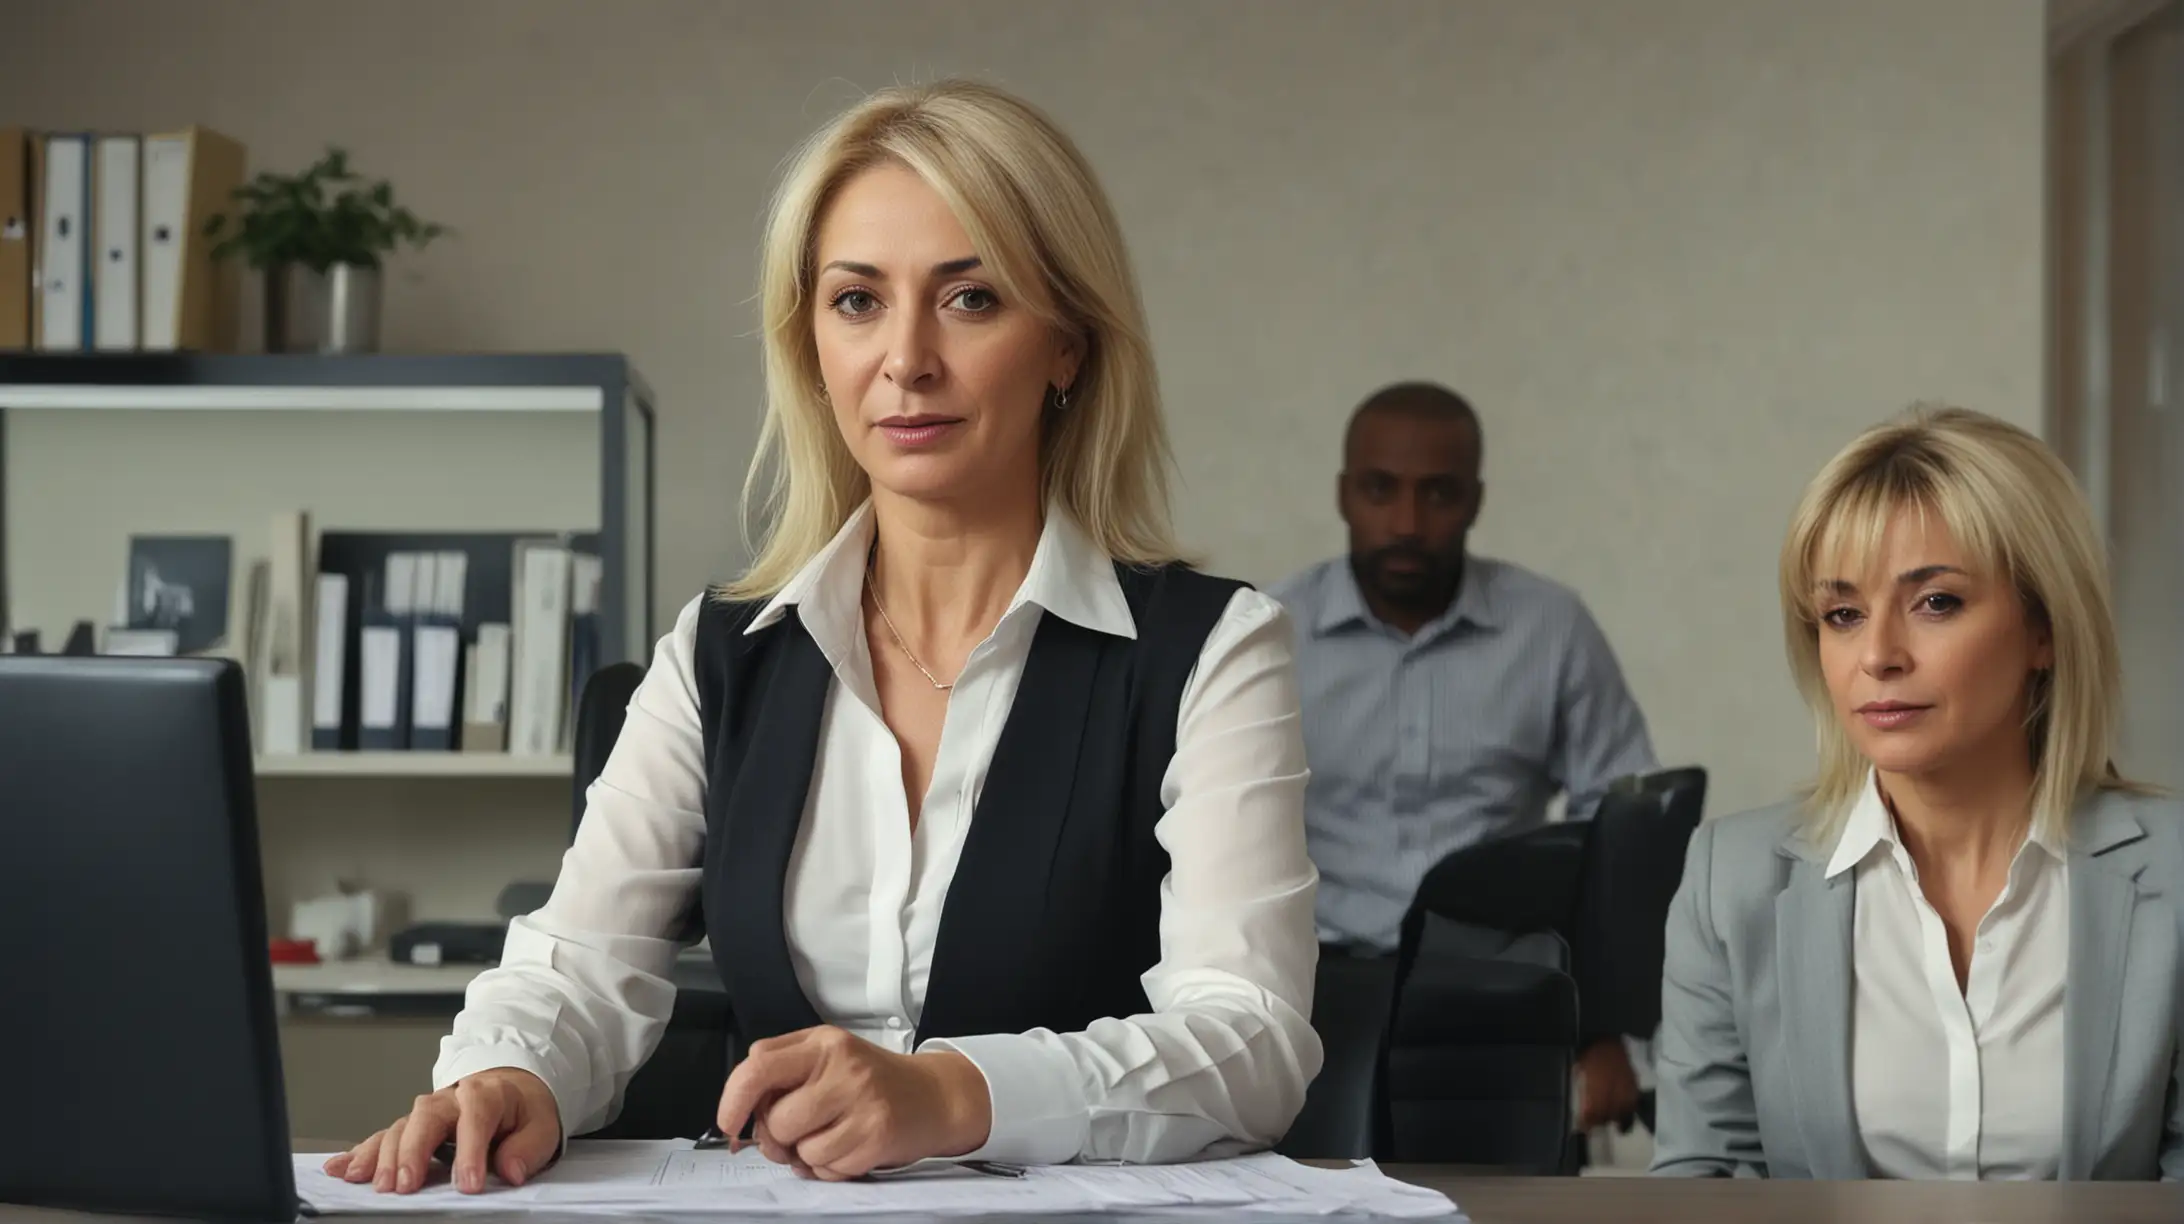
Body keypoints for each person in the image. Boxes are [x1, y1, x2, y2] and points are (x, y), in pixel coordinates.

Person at [324, 79, 1322, 1195]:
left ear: (1069, 346)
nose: (906, 360)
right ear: (810, 342)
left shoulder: (1213, 649)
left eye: (972, 298)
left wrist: (949, 1094)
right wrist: (512, 1074)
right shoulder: (720, 653)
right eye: (857, 301)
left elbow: (1252, 1042)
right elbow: (578, 962)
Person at [1652, 405, 2184, 1180]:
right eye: (1842, 614)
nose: (1877, 655)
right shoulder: (1729, 880)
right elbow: (1705, 1186)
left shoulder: (2173, 871)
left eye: (1936, 602)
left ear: (2045, 629)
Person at [1268, 381, 1658, 1131]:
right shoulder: (1266, 632)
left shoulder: (1551, 628)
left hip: (1496, 993)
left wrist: (1609, 1031)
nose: (1408, 523)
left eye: (1438, 494)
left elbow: (1624, 840)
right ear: (1345, 494)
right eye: (1382, 490)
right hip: (1310, 1002)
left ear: (1475, 501)